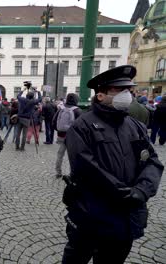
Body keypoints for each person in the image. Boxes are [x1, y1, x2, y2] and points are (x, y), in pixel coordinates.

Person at [62, 65, 164, 264]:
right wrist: (123, 192)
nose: (127, 94)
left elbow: (152, 161)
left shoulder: (135, 126)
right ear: (101, 95)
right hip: (91, 214)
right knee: (76, 258)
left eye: (128, 90)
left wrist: (142, 191)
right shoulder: (82, 126)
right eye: (120, 90)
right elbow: (86, 167)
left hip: (125, 219)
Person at [52, 93, 83, 178]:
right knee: (72, 156)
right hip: (73, 137)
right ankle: (71, 173)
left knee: (60, 154)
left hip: (61, 135)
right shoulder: (78, 110)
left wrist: (59, 130)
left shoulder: (61, 109)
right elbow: (81, 126)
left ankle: (58, 172)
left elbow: (54, 122)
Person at [15, 82, 42, 151]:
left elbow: (18, 96)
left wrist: (23, 90)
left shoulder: (22, 99)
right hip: (27, 119)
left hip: (20, 118)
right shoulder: (33, 102)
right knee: (24, 134)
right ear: (32, 96)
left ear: (26, 95)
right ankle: (22, 147)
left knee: (18, 133)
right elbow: (40, 99)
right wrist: (37, 92)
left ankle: (17, 147)